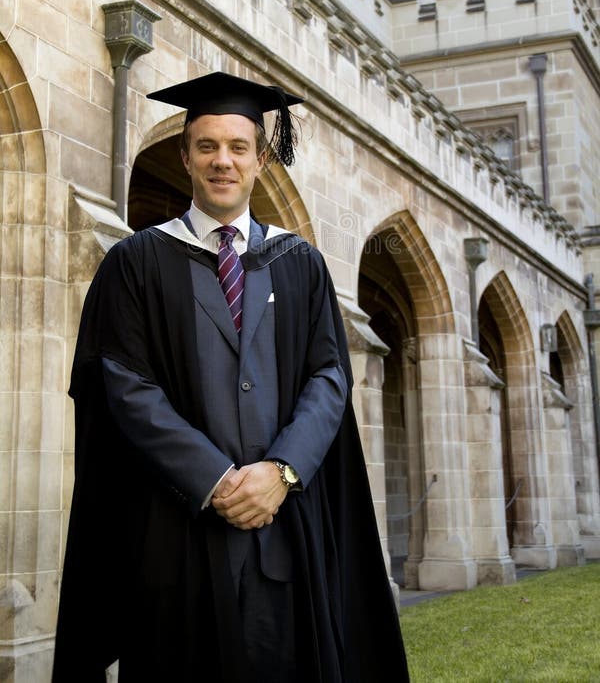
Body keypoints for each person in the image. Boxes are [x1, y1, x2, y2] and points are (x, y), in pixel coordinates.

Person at [52, 71, 410, 682]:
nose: (224, 161)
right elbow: (121, 383)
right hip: (176, 536)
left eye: (238, 147)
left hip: (286, 530)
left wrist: (283, 471)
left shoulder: (301, 265)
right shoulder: (135, 262)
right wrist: (215, 479)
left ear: (261, 158)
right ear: (186, 154)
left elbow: (329, 375)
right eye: (208, 146)